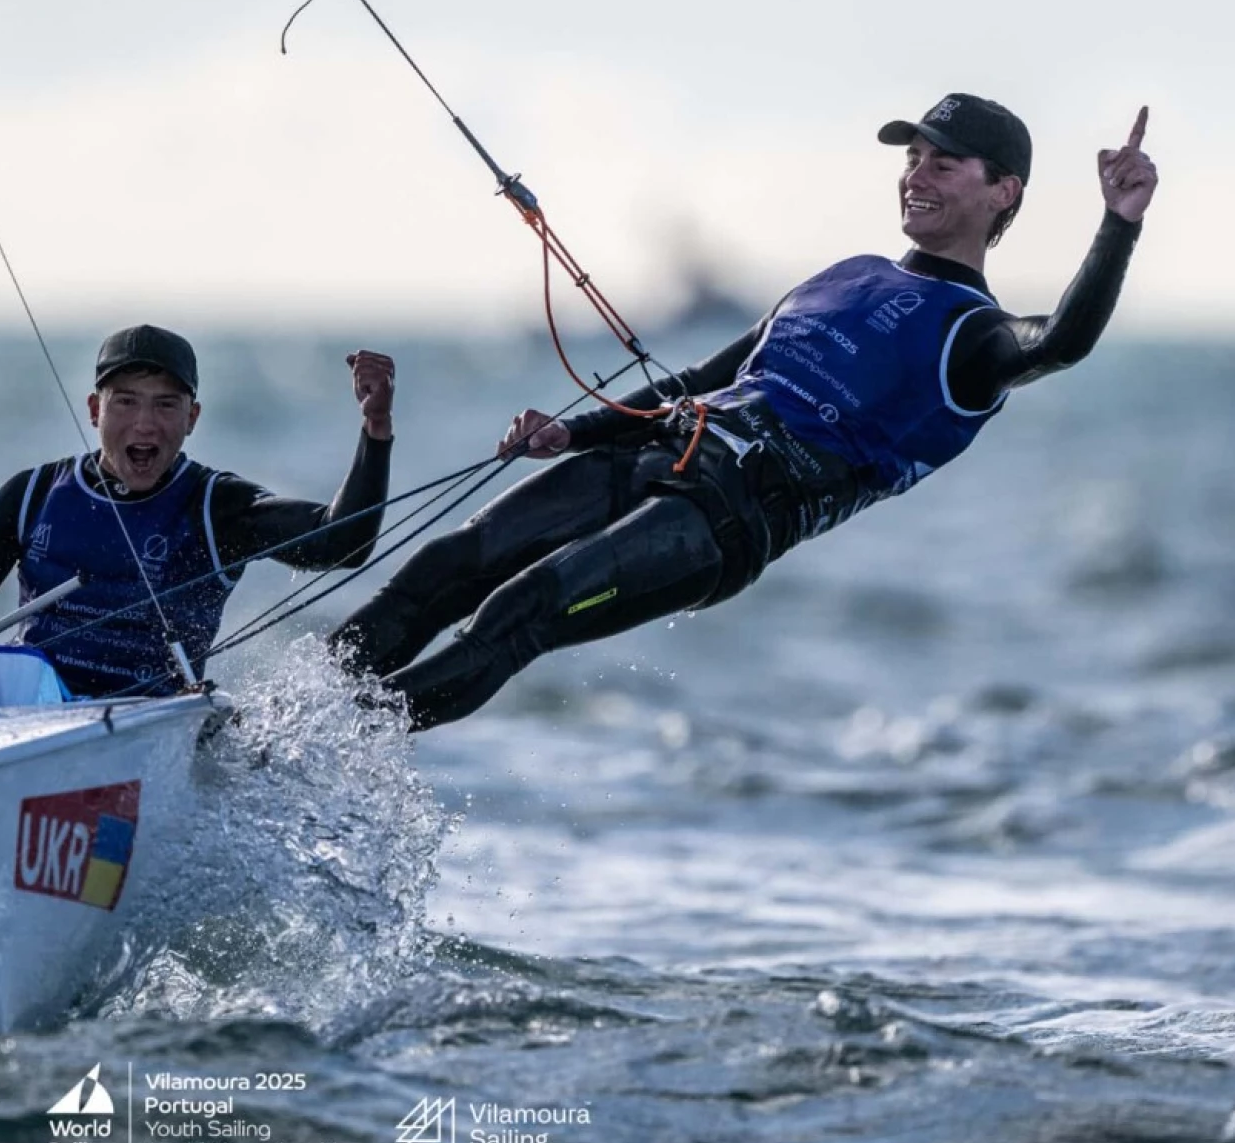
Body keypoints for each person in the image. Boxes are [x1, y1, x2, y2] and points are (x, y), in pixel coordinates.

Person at [333, 94, 1158, 730]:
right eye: (913, 158)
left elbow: (1062, 341)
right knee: (448, 563)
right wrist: (571, 430)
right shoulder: (848, 272)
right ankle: (288, 712)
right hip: (656, 451)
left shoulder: (977, 337)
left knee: (520, 612)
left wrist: (1118, 223)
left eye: (945, 163)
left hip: (722, 521)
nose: (917, 175)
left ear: (1004, 191)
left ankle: (334, 742)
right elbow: (705, 375)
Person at [0, 324, 396, 697]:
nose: (145, 424)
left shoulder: (217, 508)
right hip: (35, 721)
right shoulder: (34, 495)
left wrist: (374, 430)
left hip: (146, 728)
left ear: (192, 417)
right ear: (95, 410)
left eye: (166, 404)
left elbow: (342, 543)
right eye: (126, 402)